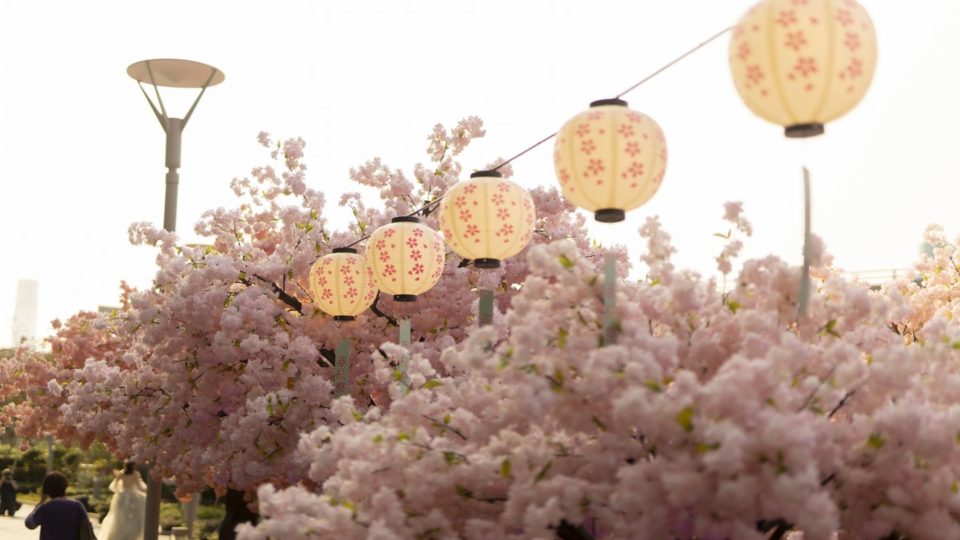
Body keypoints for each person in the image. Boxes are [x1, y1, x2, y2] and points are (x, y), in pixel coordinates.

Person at [25, 471, 93, 539]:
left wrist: (41, 502)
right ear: (65, 486)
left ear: (46, 489)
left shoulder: (45, 508)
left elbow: (29, 524)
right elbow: (86, 529)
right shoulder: (77, 506)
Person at [98, 462, 146, 540]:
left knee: (119, 518)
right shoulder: (135, 474)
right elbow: (139, 487)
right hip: (133, 497)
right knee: (133, 518)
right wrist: (146, 491)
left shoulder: (122, 473)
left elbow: (114, 486)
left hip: (122, 497)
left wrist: (120, 491)